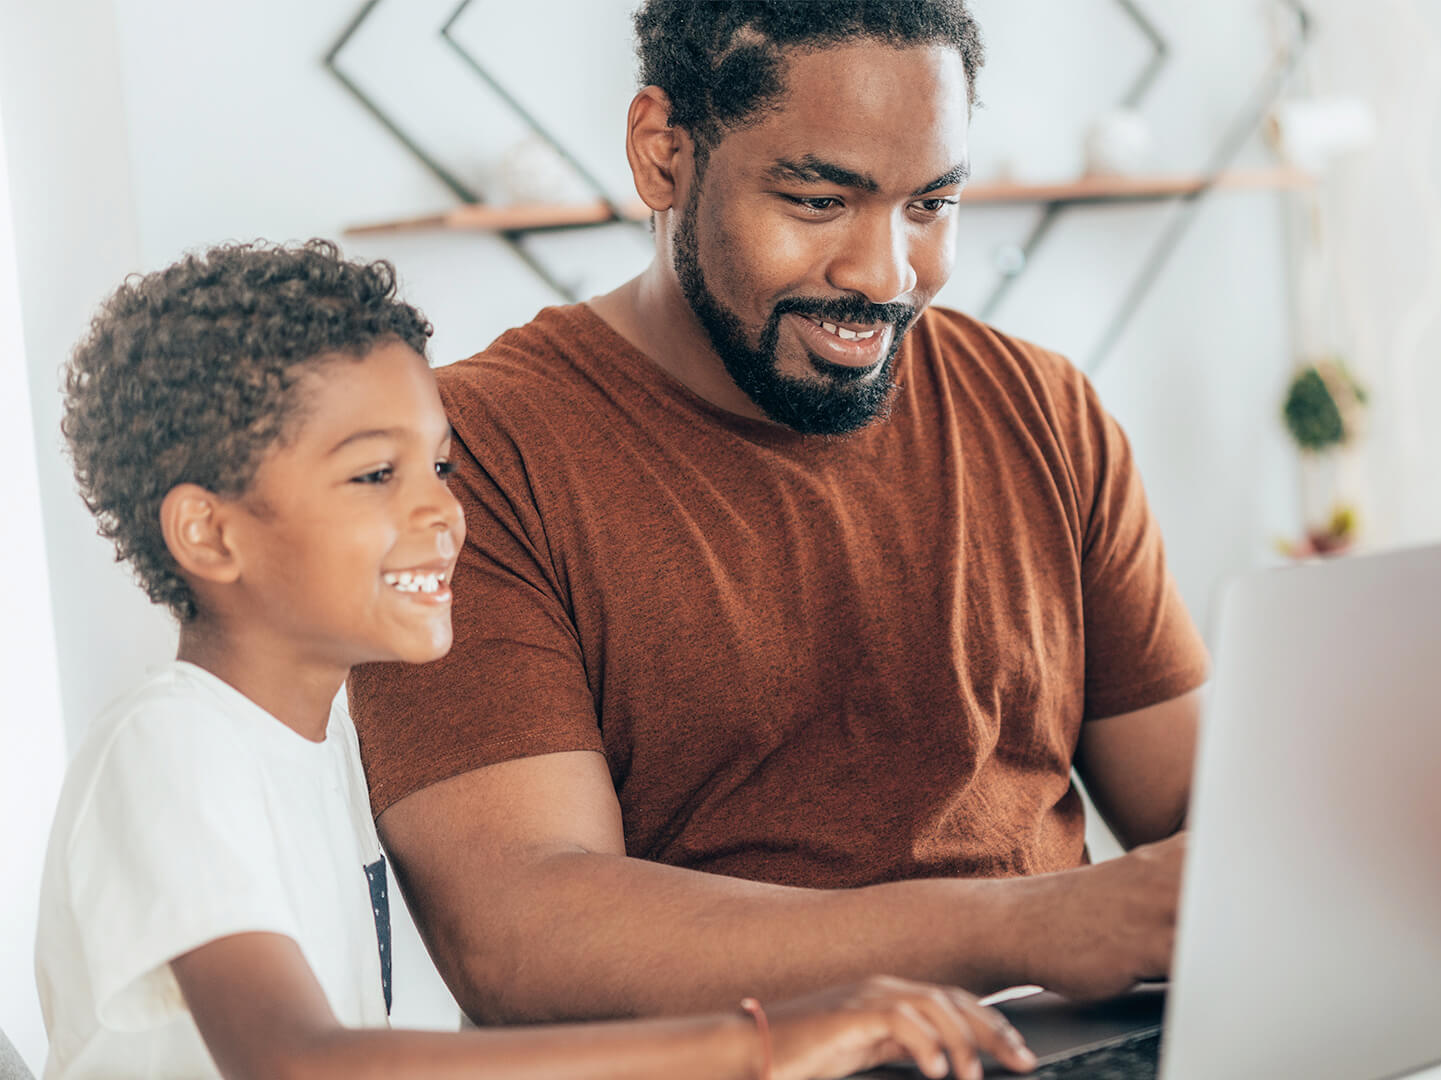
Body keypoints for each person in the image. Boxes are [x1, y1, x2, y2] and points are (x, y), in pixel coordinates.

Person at [345, 0, 1210, 1025]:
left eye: (930, 205)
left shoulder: (1043, 409)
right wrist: (1020, 928)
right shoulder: (467, 460)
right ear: (663, 155)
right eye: (816, 201)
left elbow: (1207, 821)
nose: (885, 274)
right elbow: (519, 933)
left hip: (1063, 1047)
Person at [35, 240, 1034, 1080]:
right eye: (375, 474)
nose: (439, 510)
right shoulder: (171, 746)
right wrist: (764, 1040)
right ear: (210, 536)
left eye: (439, 465)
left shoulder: (330, 744)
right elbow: (300, 1062)